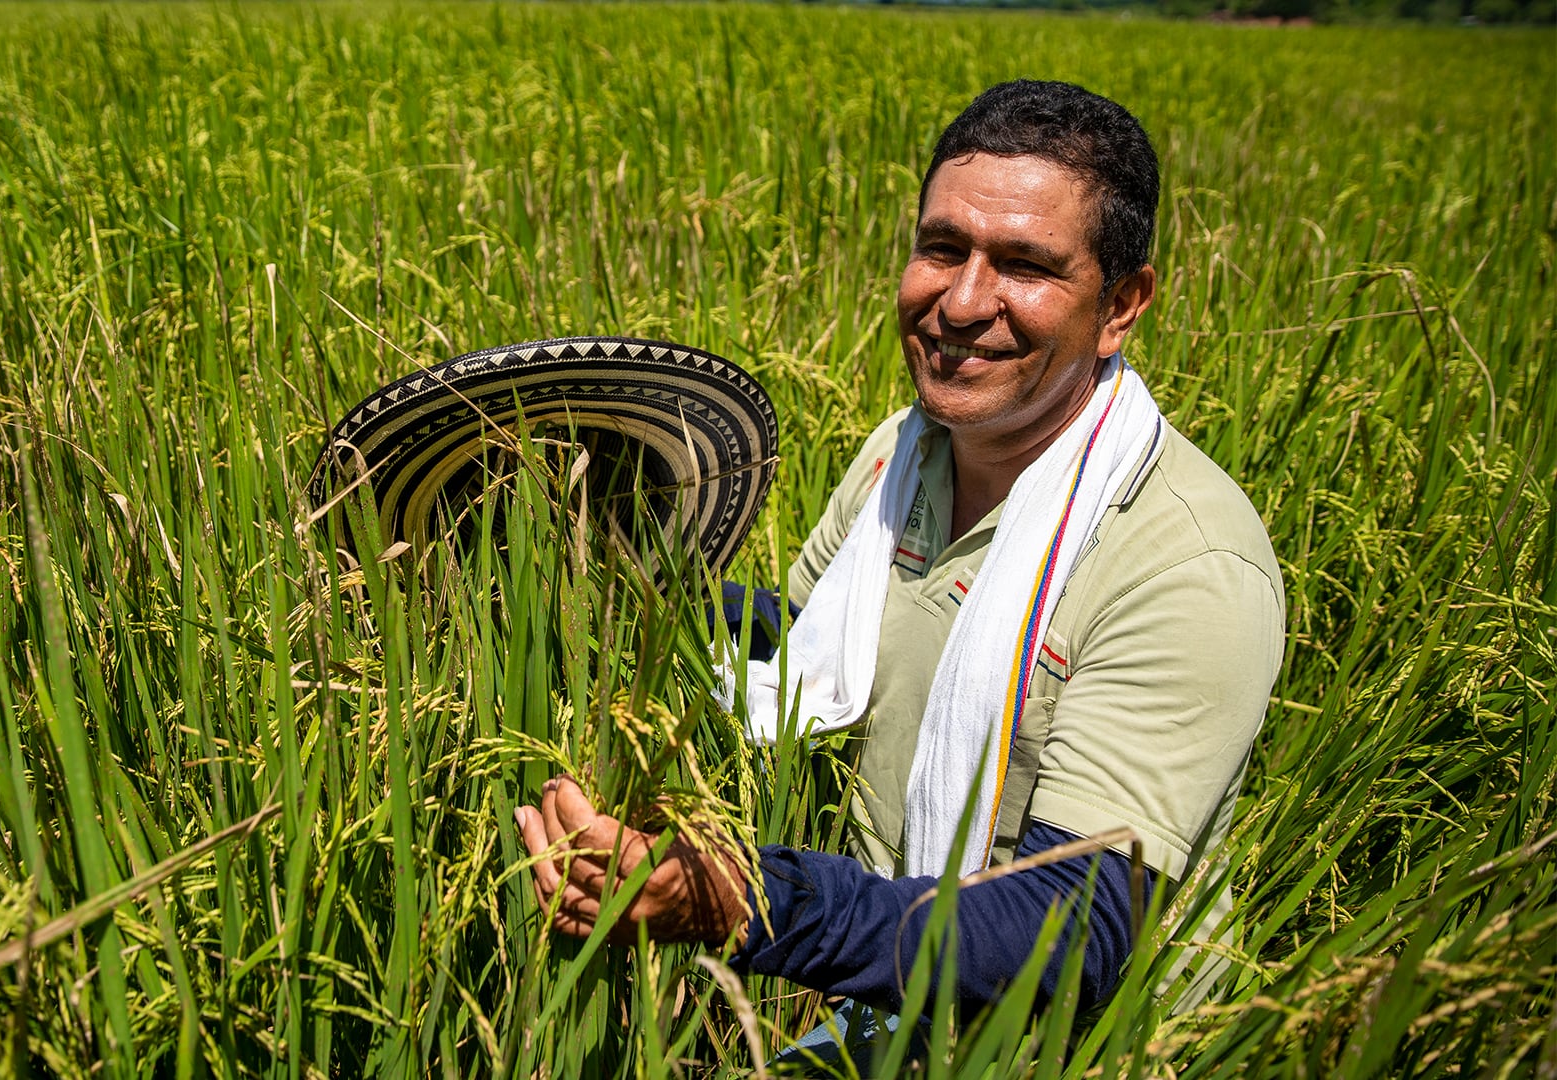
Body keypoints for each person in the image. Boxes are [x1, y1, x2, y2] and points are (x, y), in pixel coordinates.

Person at [514, 79, 1284, 1062]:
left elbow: (1070, 932)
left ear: (1123, 303)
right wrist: (603, 571)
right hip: (883, 1008)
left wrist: (746, 900)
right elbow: (806, 646)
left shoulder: (1185, 569)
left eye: (1025, 266)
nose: (963, 303)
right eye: (942, 248)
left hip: (1081, 1047)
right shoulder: (900, 455)